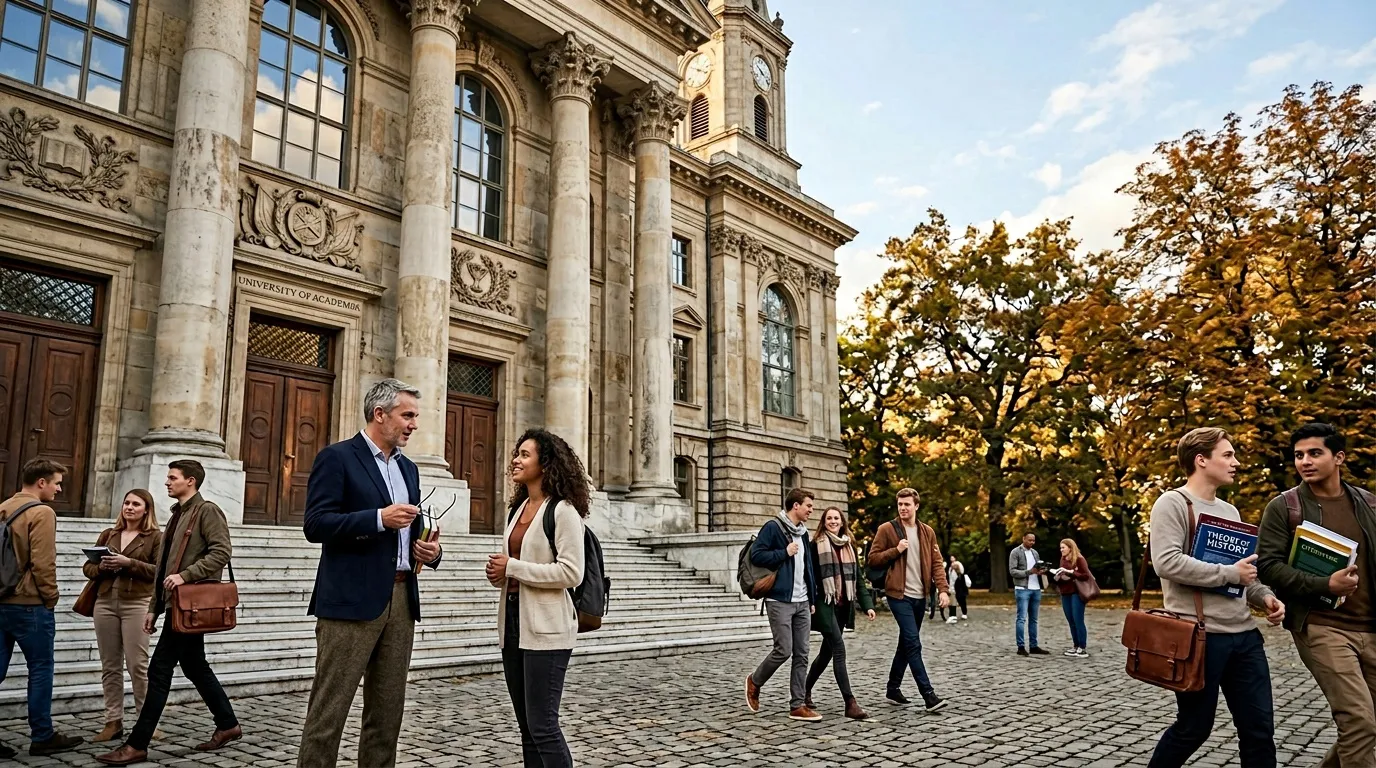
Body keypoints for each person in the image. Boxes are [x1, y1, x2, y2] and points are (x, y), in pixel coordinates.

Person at [293, 378, 444, 768]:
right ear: (380, 414)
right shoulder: (338, 457)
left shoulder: (410, 470)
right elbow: (316, 524)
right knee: (329, 713)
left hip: (400, 600)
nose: (414, 424)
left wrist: (430, 550)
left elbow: (410, 529)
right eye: (407, 415)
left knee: (387, 715)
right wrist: (378, 518)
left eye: (415, 416)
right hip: (349, 601)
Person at [1148, 427, 1285, 768]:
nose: (1235, 462)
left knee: (1259, 731)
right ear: (1201, 460)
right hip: (1199, 638)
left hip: (1244, 637)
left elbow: (1243, 575)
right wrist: (1229, 574)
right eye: (1227, 455)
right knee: (1194, 728)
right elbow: (1165, 562)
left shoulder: (1230, 512)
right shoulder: (1172, 503)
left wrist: (1264, 596)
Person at [97, 460, 240, 766]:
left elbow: (221, 552)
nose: (167, 482)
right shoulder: (177, 515)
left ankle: (137, 744)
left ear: (191, 481)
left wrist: (187, 576)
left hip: (191, 604)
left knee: (159, 670)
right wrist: (154, 608)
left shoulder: (207, 511)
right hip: (176, 606)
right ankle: (228, 724)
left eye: (173, 477)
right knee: (195, 666)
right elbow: (163, 568)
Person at [1257, 423, 1376, 768]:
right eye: (1299, 455)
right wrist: (1325, 586)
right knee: (1359, 720)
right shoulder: (1285, 507)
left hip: (1370, 626)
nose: (1305, 461)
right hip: (1322, 625)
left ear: (1338, 457)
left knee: (1367, 727)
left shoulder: (1369, 503)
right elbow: (1268, 566)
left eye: (1314, 453)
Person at [486, 428, 588, 767]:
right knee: (527, 728)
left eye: (524, 454)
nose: (515, 459)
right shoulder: (518, 509)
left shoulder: (562, 511)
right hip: (514, 621)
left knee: (543, 726)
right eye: (517, 453)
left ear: (544, 464)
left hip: (548, 628)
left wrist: (513, 567)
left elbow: (571, 573)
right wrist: (500, 575)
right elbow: (517, 568)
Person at [0, 459, 83, 758]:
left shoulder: (4, 507)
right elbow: (43, 563)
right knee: (40, 669)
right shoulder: (42, 512)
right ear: (41, 483)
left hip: (1, 601)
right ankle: (42, 735)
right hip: (29, 604)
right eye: (57, 482)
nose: (60, 489)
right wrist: (51, 598)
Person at [84, 489, 164, 742]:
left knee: (137, 665)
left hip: (137, 604)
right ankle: (113, 721)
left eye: (136, 504)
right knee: (110, 666)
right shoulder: (110, 534)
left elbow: (158, 572)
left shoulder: (155, 537)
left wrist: (128, 563)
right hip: (105, 603)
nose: (129, 507)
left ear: (146, 510)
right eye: (126, 502)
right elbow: (88, 568)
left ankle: (146, 722)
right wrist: (100, 567)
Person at [867, 487, 950, 712]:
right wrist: (895, 550)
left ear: (916, 506)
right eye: (900, 504)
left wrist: (943, 589)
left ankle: (893, 688)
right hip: (898, 595)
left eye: (907, 504)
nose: (903, 508)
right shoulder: (887, 529)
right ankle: (929, 695)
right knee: (913, 643)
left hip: (919, 596)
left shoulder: (927, 532)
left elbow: (936, 562)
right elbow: (872, 560)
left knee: (906, 643)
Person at [744, 488, 821, 721]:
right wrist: (784, 552)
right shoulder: (773, 528)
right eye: (808, 506)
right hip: (780, 600)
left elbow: (808, 567)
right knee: (783, 649)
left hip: (802, 600)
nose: (811, 510)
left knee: (803, 653)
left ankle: (797, 705)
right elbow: (756, 556)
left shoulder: (804, 533)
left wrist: (812, 598)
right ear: (795, 506)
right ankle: (755, 681)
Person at [805, 506, 875, 720]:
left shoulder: (849, 546)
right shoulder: (816, 544)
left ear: (842, 521)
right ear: (823, 522)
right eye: (829, 518)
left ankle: (804, 691)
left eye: (836, 518)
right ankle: (850, 703)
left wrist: (868, 605)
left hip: (844, 607)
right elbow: (809, 576)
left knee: (826, 654)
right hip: (825, 606)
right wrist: (809, 601)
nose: (833, 521)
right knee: (839, 649)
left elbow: (859, 578)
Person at [1008, 532, 1049, 656]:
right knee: (1021, 618)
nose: (1031, 542)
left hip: (1036, 589)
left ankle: (1033, 645)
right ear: (1023, 539)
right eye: (1029, 540)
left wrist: (1041, 571)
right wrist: (1029, 572)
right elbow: (1013, 571)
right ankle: (1021, 646)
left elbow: (1037, 569)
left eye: (1033, 540)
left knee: (1034, 619)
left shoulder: (1035, 553)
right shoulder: (1015, 552)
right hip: (1022, 589)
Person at [1053, 538, 1091, 658]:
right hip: (1065, 593)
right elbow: (1063, 576)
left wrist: (1070, 572)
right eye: (1060, 548)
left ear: (1070, 547)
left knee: (1078, 620)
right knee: (1071, 620)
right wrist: (1056, 576)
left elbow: (1085, 575)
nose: (1061, 550)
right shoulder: (1063, 559)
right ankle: (1075, 646)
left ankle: (1082, 647)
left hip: (1077, 593)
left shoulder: (1079, 559)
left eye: (1063, 547)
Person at [946, 555, 969, 622]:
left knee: (961, 601)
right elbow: (951, 580)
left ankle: (959, 614)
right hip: (954, 589)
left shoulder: (959, 574)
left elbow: (955, 583)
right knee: (953, 602)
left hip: (959, 590)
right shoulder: (950, 570)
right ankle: (953, 615)